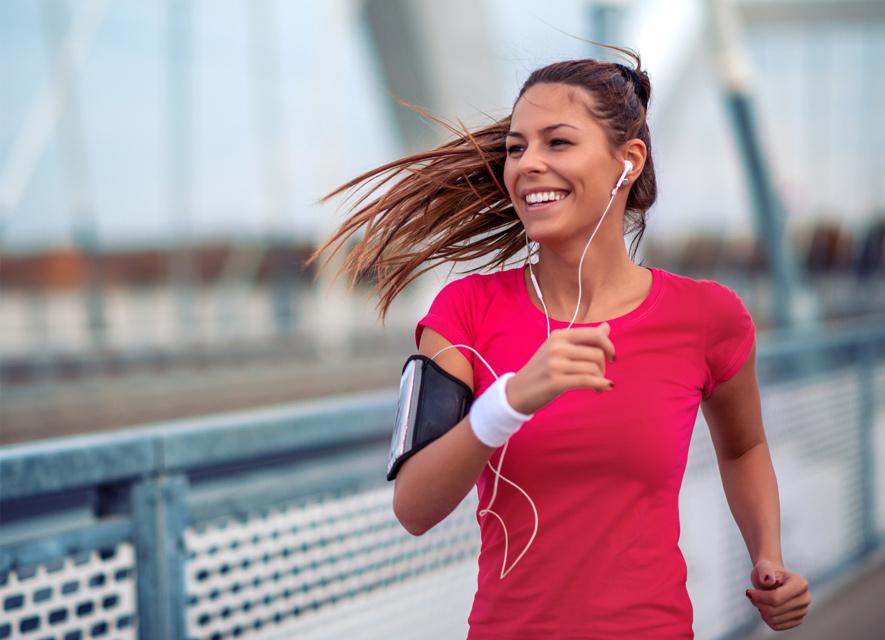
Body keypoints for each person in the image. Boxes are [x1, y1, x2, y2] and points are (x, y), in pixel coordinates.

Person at [310, 45, 810, 639]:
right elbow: (413, 509)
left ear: (627, 162)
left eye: (558, 142)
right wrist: (509, 402)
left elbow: (743, 447)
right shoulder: (464, 311)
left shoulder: (707, 317)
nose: (526, 164)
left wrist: (768, 555)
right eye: (517, 147)